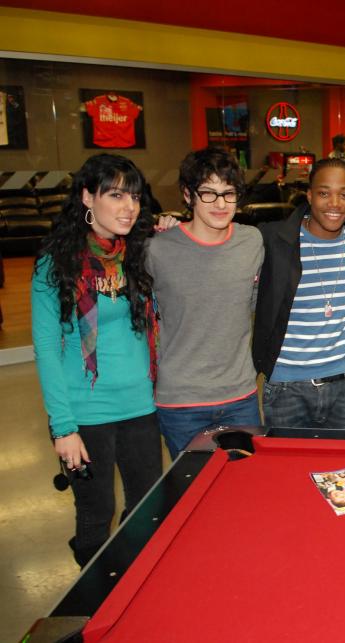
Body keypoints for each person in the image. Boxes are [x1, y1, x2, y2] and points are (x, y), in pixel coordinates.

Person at [31, 153, 161, 566]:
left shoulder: (139, 252)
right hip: (85, 412)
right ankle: (94, 600)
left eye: (136, 197)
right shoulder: (55, 265)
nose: (130, 207)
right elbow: (47, 350)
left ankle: (130, 582)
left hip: (141, 404)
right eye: (116, 195)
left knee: (146, 508)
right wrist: (62, 427)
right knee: (95, 511)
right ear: (88, 197)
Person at [146, 147, 263, 458]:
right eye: (208, 193)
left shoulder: (251, 241)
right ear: (187, 195)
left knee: (244, 490)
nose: (221, 203)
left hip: (241, 397)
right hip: (181, 402)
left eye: (229, 193)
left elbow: (256, 305)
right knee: (192, 493)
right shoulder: (157, 249)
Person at [253, 158, 345, 430]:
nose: (334, 203)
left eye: (344, 195)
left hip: (344, 385)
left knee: (341, 471)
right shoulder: (275, 240)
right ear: (309, 196)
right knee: (287, 472)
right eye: (323, 193)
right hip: (285, 387)